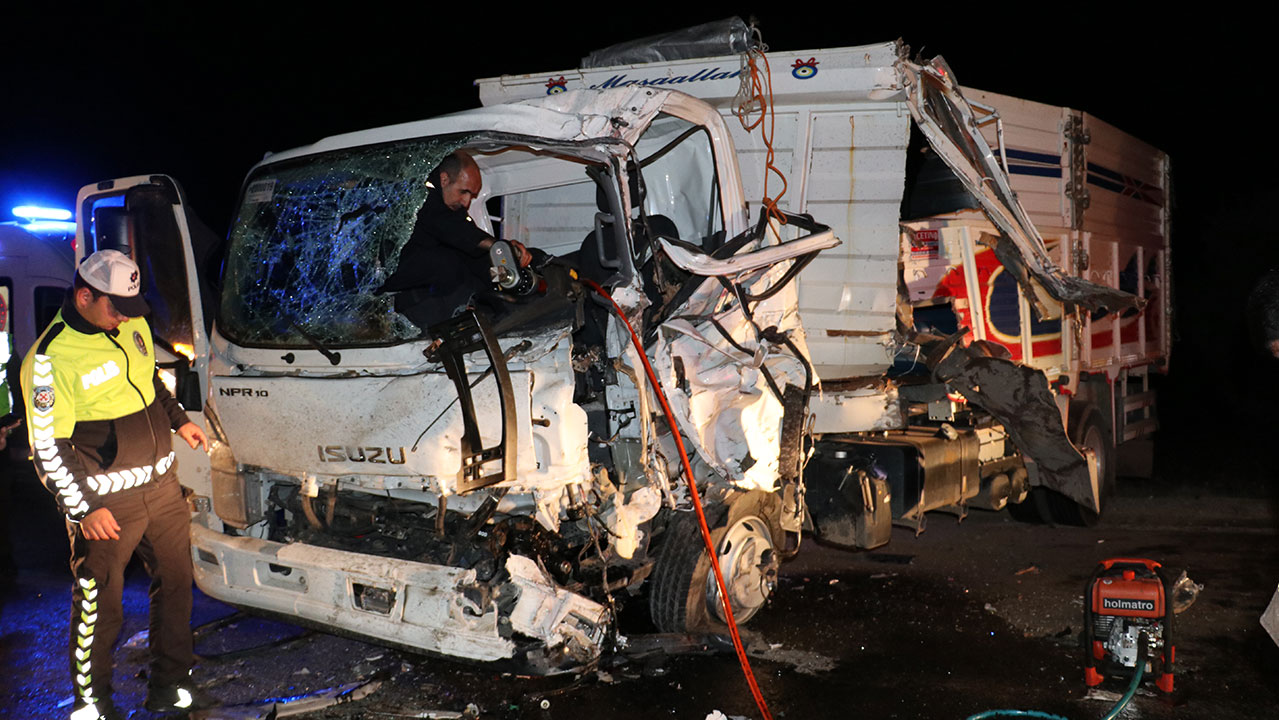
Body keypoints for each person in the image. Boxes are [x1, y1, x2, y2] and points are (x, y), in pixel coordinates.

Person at [20, 249, 212, 720]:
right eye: (115, 309)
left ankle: (171, 688)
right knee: (98, 604)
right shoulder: (49, 360)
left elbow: (149, 381)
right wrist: (84, 508)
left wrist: (177, 420)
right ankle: (93, 704)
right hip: (107, 505)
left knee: (176, 586)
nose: (123, 320)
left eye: (130, 309)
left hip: (163, 488)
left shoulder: (129, 323)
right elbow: (48, 447)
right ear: (84, 296)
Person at [380, 150, 531, 329]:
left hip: (426, 272)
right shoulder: (420, 195)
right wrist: (499, 247)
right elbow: (452, 228)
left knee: (479, 264)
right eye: (463, 192)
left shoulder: (451, 207)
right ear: (444, 180)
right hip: (393, 273)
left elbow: (466, 235)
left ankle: (508, 296)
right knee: (451, 263)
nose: (466, 202)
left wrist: (504, 262)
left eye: (472, 196)